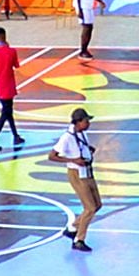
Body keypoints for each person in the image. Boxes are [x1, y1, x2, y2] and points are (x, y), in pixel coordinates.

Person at [49, 107, 99, 252]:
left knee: (97, 205)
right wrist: (73, 160)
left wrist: (88, 149)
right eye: (86, 121)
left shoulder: (82, 134)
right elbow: (52, 156)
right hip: (77, 173)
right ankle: (79, 239)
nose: (88, 123)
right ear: (78, 122)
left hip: (87, 171)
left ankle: (72, 227)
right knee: (89, 208)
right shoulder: (67, 137)